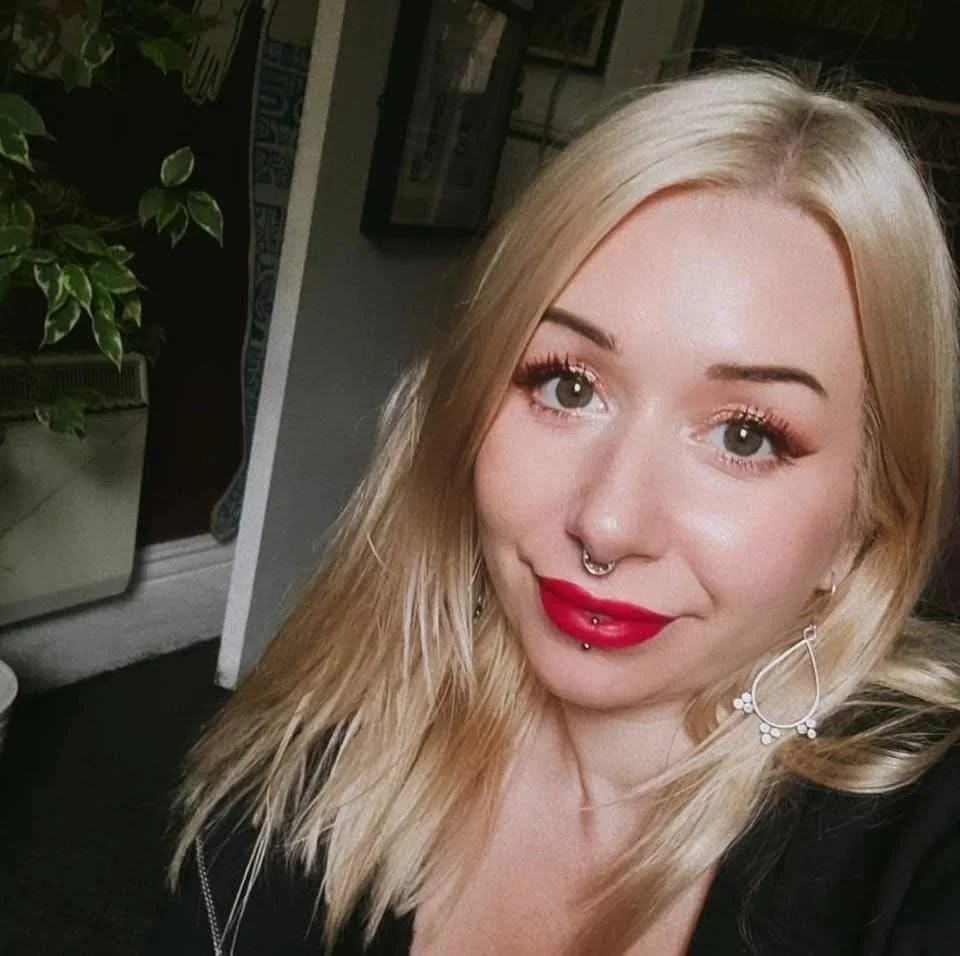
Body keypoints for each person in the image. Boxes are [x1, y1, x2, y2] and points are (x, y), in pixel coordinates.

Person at [146, 67, 960, 955]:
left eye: (745, 436)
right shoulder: (307, 773)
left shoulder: (919, 850)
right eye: (567, 386)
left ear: (867, 521)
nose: (607, 525)